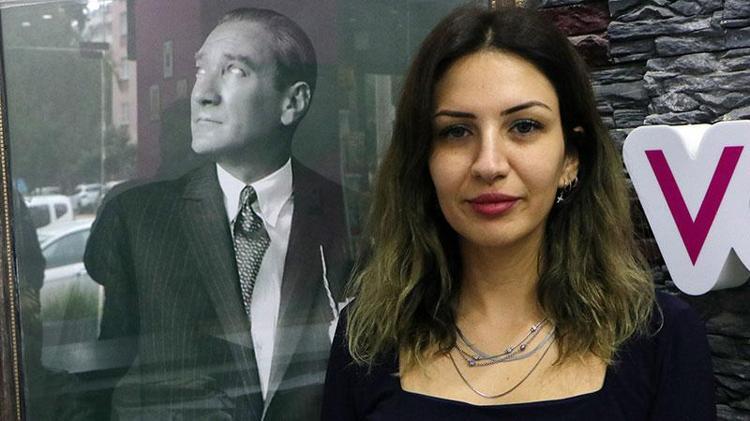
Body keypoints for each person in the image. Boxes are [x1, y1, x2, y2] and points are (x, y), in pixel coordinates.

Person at [322, 6, 715, 421]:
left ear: (571, 157)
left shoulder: (660, 337)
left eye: (524, 126)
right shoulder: (366, 338)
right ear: (424, 159)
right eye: (456, 131)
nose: (488, 164)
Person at [84, 7, 350, 420]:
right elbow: (103, 386)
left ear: (292, 102)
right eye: (200, 70)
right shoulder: (137, 221)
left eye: (235, 70)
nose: (201, 93)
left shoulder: (352, 217)